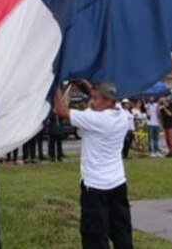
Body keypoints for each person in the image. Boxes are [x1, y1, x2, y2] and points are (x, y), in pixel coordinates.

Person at [54, 81, 133, 248]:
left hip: (96, 187)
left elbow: (61, 111)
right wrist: (84, 84)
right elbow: (95, 94)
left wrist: (55, 86)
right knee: (121, 231)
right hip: (118, 183)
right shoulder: (123, 115)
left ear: (108, 101)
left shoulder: (95, 119)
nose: (92, 101)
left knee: (94, 235)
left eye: (96, 99)